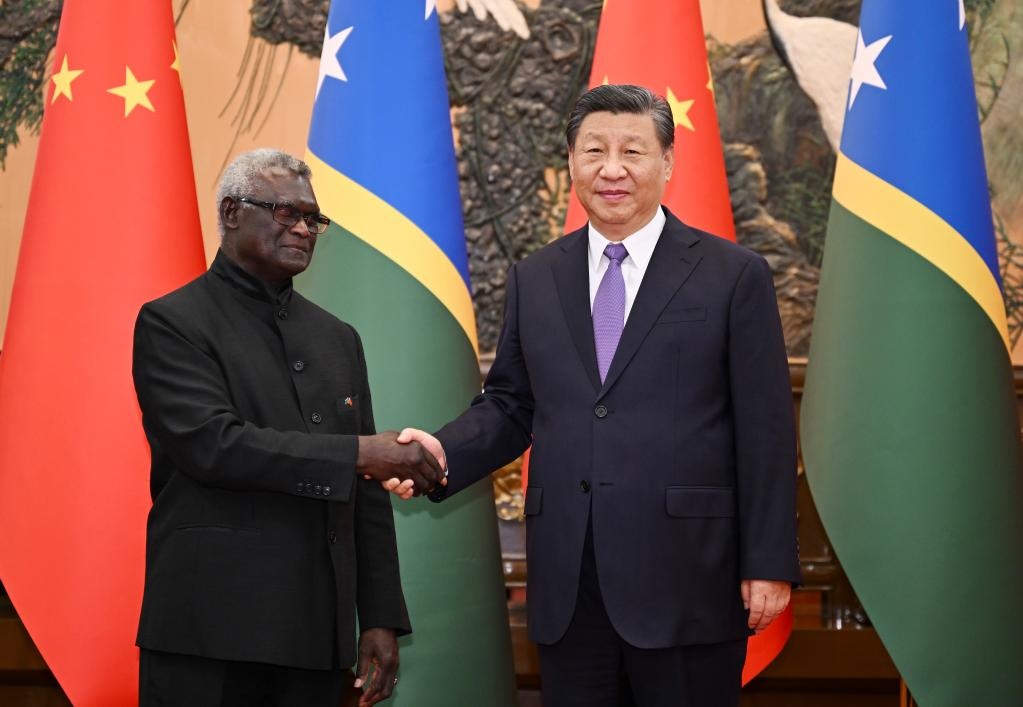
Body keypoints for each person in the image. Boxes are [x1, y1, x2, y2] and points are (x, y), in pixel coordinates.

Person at [394, 85, 800, 706]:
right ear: (572, 163)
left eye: (632, 150)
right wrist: (441, 452)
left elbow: (766, 428)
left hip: (689, 578)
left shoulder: (733, 274)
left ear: (666, 163)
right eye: (594, 151)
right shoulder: (536, 276)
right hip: (569, 583)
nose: (612, 169)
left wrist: (768, 561)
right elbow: (511, 403)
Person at [131, 148, 445, 706]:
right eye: (285, 213)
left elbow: (367, 496)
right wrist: (357, 454)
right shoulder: (172, 322)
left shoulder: (337, 338)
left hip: (315, 635)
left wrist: (378, 618)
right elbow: (215, 447)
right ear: (231, 212)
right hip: (210, 634)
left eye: (313, 219)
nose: (303, 228)